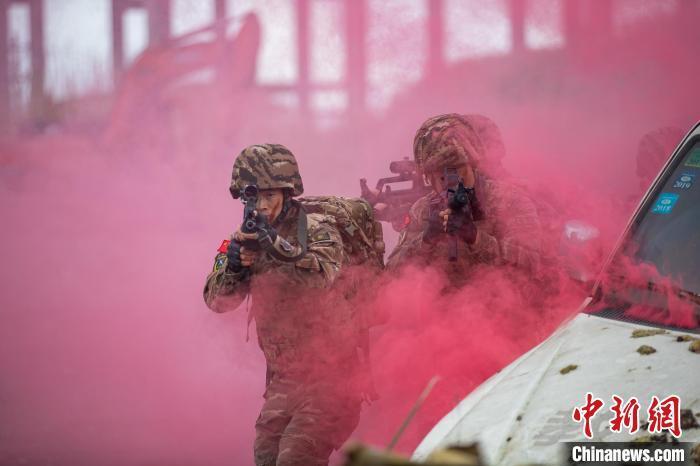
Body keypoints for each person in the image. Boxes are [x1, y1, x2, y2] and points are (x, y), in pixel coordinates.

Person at [203, 144, 363, 466]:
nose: (261, 206)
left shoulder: (317, 227)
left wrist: (273, 245)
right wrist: (234, 263)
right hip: (283, 383)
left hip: (332, 379)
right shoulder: (235, 239)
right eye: (252, 198)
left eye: (269, 196)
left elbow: (323, 275)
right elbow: (216, 301)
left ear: (287, 192)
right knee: (266, 459)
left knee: (295, 460)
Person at [386, 114, 542, 288]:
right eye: (441, 175)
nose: (454, 182)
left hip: (501, 308)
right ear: (428, 178)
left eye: (460, 170)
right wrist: (425, 241)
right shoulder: (422, 210)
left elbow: (530, 267)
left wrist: (475, 238)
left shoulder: (507, 200)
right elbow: (392, 275)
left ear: (473, 165)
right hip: (444, 311)